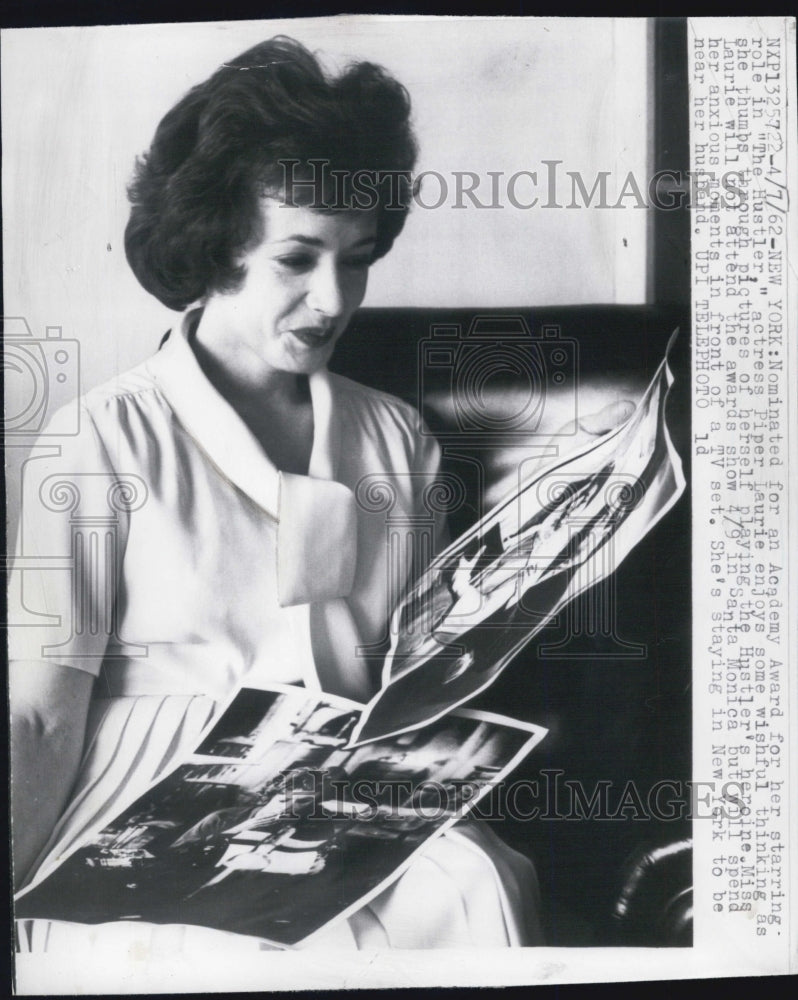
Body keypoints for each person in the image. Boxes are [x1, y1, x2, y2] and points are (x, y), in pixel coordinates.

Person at [10, 35, 542, 953]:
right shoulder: (99, 436)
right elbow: (41, 711)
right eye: (296, 259)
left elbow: (407, 681)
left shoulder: (395, 438)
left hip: (342, 791)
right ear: (217, 249)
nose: (334, 300)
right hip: (140, 801)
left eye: (358, 257)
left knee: (477, 885)